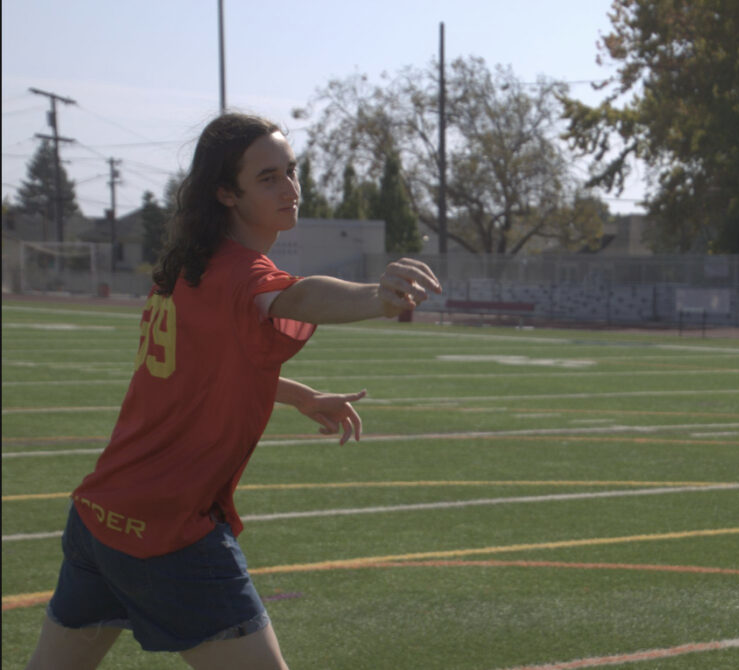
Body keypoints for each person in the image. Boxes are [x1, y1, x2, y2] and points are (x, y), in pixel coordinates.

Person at [25, 112, 442, 670]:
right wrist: (377, 296)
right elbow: (299, 297)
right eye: (268, 177)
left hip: (99, 518)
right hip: (165, 529)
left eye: (291, 171)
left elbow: (203, 374)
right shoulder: (241, 274)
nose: (290, 188)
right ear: (226, 192)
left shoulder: (182, 270)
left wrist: (301, 397)